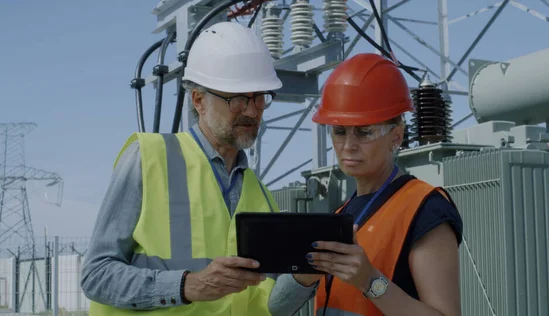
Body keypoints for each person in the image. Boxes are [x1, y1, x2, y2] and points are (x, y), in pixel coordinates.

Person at [80, 21, 319, 315]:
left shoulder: (260, 194)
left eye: (259, 97)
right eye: (237, 99)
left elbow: (266, 307)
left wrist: (304, 279)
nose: (252, 110)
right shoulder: (147, 158)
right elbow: (96, 275)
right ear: (198, 100)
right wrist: (187, 286)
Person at [282, 53, 464, 316]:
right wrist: (302, 273)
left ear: (396, 136)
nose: (348, 145)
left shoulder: (425, 209)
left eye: (364, 131)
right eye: (340, 131)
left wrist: (369, 281)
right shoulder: (341, 216)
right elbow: (277, 306)